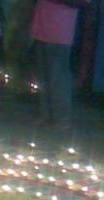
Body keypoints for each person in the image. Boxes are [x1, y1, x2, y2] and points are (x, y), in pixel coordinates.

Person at [30, 0, 90, 132]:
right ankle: (47, 116)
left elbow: (83, 3)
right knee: (44, 77)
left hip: (59, 32)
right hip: (41, 28)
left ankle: (61, 119)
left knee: (58, 78)